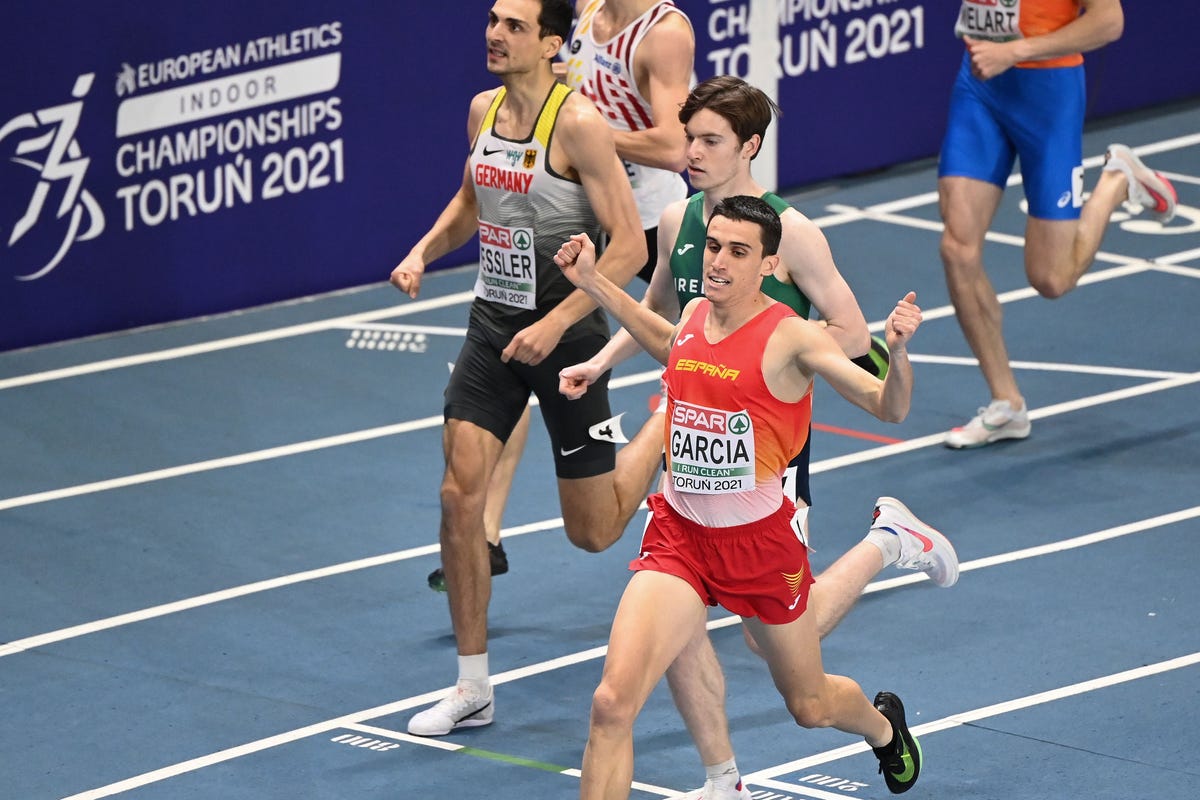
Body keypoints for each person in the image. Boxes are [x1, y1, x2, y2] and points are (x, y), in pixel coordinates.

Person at [559, 77, 952, 800]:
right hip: (680, 531)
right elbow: (662, 328)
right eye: (713, 249)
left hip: (761, 520)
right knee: (613, 703)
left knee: (806, 703)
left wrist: (893, 355)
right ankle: (723, 778)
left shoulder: (791, 307)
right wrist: (594, 288)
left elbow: (881, 402)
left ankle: (882, 721)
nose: (716, 262)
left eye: (737, 253)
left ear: (767, 264)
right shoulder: (687, 267)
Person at [391, 0, 666, 737]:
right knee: (459, 496)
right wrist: (423, 250)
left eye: (513, 25)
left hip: (567, 337)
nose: (493, 33)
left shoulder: (577, 125)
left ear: (551, 44)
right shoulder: (482, 110)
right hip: (493, 327)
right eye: (491, 20)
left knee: (594, 530)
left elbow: (629, 249)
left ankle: (667, 427)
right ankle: (472, 685)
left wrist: (556, 321)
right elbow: (468, 201)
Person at [426, 0, 696, 592]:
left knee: (698, 360)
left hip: (650, 223)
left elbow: (677, 149)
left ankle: (726, 472)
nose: (498, 33)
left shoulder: (664, 32)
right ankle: (488, 531)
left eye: (512, 26)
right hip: (578, 212)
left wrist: (578, 136)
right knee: (511, 355)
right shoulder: (585, 11)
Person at [939, 0, 1177, 448]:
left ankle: (1115, 181)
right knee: (957, 248)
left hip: (1047, 95)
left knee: (1051, 278)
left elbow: (1109, 22)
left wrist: (1018, 50)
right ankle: (1006, 403)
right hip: (981, 86)